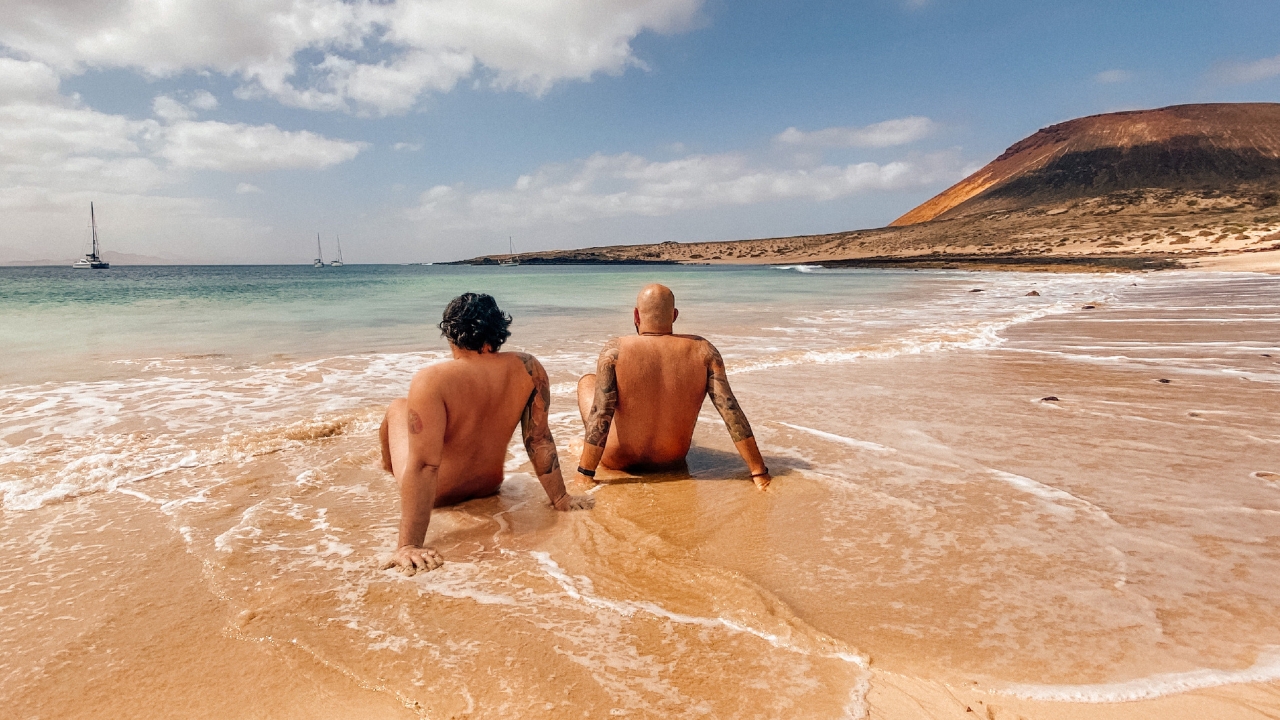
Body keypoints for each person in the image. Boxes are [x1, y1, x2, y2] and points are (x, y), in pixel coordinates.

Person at [379, 293, 594, 575]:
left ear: (450, 335)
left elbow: (425, 466)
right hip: (487, 486)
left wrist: (408, 545)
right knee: (407, 411)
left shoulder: (432, 380)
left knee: (397, 408)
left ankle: (385, 465)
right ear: (497, 332)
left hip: (438, 494)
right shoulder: (528, 367)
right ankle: (386, 465)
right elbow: (538, 438)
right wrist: (560, 498)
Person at [575, 283, 771, 489]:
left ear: (636, 315)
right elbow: (730, 410)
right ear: (675, 315)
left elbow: (601, 412)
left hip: (618, 460)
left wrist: (585, 473)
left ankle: (585, 451)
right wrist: (759, 471)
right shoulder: (703, 350)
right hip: (671, 460)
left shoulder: (615, 350)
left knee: (588, 381)